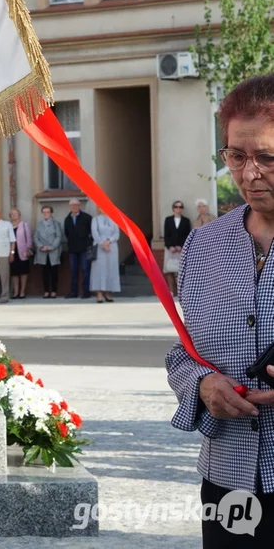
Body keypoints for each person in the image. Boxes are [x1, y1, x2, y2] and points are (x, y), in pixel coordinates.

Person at [165, 74, 274, 545]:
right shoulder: (204, 244)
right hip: (228, 476)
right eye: (236, 156)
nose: (249, 173)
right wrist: (202, 383)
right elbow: (184, 351)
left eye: (267, 157)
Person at [63, 199, 94, 299]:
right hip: (72, 249)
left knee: (85, 270)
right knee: (73, 271)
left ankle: (86, 292)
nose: (74, 207)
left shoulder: (87, 217)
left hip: (84, 248)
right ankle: (73, 292)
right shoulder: (67, 219)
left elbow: (92, 232)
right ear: (70, 207)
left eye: (76, 205)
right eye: (72, 205)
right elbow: (67, 233)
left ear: (79, 206)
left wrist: (88, 243)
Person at [89, 207, 120, 303]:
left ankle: (108, 292)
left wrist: (109, 241)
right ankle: (99, 293)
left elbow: (116, 233)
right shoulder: (96, 219)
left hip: (112, 247)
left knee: (110, 269)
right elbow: (94, 233)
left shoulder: (114, 218)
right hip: (99, 246)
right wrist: (102, 243)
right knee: (99, 270)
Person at [163, 200, 192, 298]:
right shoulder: (168, 220)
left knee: (181, 271)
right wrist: (170, 246)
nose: (178, 209)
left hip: (181, 249)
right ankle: (171, 291)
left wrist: (181, 245)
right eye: (176, 207)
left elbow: (187, 235)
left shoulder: (186, 221)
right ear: (173, 208)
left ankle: (181, 291)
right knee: (169, 270)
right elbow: (166, 235)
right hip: (170, 249)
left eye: (180, 207)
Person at [33, 205, 63, 298]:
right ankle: (46, 291)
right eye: (44, 212)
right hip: (42, 252)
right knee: (44, 272)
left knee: (54, 272)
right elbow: (35, 237)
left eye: (48, 212)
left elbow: (59, 236)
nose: (46, 214)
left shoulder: (56, 223)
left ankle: (54, 291)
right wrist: (41, 246)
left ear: (51, 213)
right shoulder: (40, 224)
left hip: (53, 251)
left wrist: (51, 247)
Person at [9, 208, 33, 300]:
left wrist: (28, 249)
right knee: (14, 273)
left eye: (16, 213)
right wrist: (10, 252)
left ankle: (22, 291)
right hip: (12, 252)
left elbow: (29, 238)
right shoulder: (9, 226)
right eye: (12, 214)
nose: (14, 215)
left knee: (23, 272)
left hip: (23, 251)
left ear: (19, 215)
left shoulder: (24, 224)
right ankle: (16, 292)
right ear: (10, 216)